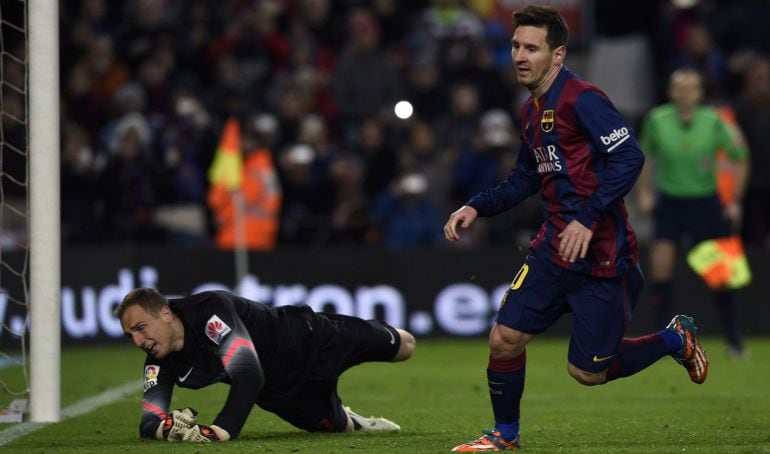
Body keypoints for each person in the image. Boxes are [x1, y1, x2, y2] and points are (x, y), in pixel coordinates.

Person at [443, 6, 708, 452]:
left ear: (558, 54)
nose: (519, 56)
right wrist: (476, 206)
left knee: (588, 373)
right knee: (504, 339)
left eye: (531, 48)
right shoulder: (532, 112)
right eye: (515, 46)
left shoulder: (583, 99)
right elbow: (525, 179)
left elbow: (630, 157)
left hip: (603, 255)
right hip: (553, 249)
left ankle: (672, 338)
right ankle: (505, 435)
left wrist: (587, 217)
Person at [115, 288, 415, 442]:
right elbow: (149, 421)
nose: (138, 341)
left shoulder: (209, 311)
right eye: (131, 335)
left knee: (405, 346)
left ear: (166, 313)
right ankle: (357, 419)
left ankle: (376, 330)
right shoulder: (159, 360)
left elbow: (247, 373)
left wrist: (219, 432)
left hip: (313, 339)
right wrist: (166, 430)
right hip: (282, 393)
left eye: (141, 328)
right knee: (340, 428)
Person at [637, 69, 749, 357]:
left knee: (720, 275)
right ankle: (661, 343)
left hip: (705, 203)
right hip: (671, 202)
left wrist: (734, 199)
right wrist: (645, 194)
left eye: (691, 88)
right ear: (671, 92)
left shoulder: (714, 122)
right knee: (661, 267)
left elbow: (740, 157)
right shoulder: (656, 120)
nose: (684, 93)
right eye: (679, 87)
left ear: (700, 93)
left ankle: (734, 340)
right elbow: (644, 157)